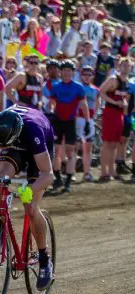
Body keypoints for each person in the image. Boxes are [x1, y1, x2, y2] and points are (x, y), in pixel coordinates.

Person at [0, 106, 55, 290]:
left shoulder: (34, 129)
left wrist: (31, 189)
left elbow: (48, 175)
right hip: (14, 145)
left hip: (37, 149)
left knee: (30, 206)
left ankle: (44, 259)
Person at [49, 59, 89, 193]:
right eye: (64, 70)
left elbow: (84, 105)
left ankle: (68, 180)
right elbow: (52, 103)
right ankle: (58, 177)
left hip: (71, 122)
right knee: (56, 152)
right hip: (58, 122)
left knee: (70, 152)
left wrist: (88, 121)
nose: (66, 73)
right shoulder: (56, 87)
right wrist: (51, 112)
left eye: (68, 70)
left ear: (73, 72)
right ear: (61, 72)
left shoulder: (78, 87)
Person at [98, 58, 132, 182]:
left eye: (128, 66)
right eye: (124, 65)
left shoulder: (127, 82)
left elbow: (124, 97)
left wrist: (123, 105)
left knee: (115, 143)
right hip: (110, 112)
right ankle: (103, 172)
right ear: (119, 66)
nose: (126, 67)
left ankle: (111, 171)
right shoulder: (113, 79)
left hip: (119, 114)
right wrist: (114, 102)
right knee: (108, 143)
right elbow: (101, 92)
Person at [77, 66, 98, 182]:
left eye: (89, 75)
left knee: (88, 147)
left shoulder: (95, 89)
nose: (87, 77)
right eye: (85, 74)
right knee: (74, 146)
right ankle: (71, 173)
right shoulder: (77, 87)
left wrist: (93, 117)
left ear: (93, 76)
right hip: (78, 118)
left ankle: (87, 172)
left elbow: (97, 102)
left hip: (89, 120)